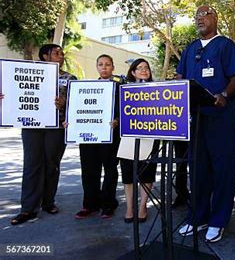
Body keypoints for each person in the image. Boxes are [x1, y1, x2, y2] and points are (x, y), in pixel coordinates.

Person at [176, 5, 235, 243]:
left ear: (215, 18)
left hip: (220, 117)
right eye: (196, 16)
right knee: (198, 169)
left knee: (222, 169)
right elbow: (181, 78)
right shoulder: (191, 49)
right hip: (196, 119)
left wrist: (224, 94)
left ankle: (218, 220)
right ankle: (198, 217)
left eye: (205, 14)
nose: (199, 18)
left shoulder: (225, 45)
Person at [9, 44, 77, 225]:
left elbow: (78, 106)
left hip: (56, 128)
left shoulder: (69, 78)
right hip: (32, 127)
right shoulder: (28, 72)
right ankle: (28, 209)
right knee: (32, 165)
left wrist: (64, 103)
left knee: (51, 165)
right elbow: (14, 92)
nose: (61, 56)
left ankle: (48, 202)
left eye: (62, 53)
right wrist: (6, 97)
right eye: (56, 53)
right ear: (45, 56)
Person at [74, 54, 122, 219]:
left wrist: (117, 120)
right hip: (88, 136)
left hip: (110, 135)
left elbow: (124, 109)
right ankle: (90, 205)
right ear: (96, 67)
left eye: (107, 64)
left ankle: (108, 205)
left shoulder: (120, 87)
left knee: (110, 170)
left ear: (113, 67)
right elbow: (76, 109)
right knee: (89, 171)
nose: (104, 67)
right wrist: (71, 123)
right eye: (100, 64)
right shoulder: (85, 88)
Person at [118, 58, 158, 223]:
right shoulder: (124, 90)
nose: (143, 70)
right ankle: (129, 208)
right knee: (128, 175)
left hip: (150, 137)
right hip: (129, 137)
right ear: (133, 72)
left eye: (146, 68)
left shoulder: (158, 90)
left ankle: (142, 207)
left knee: (147, 175)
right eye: (139, 68)